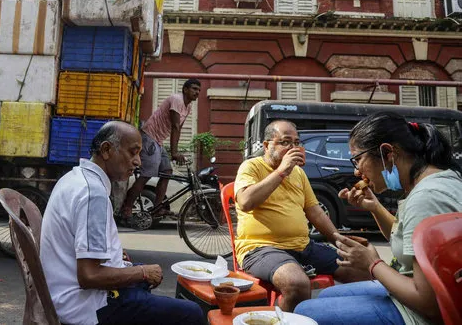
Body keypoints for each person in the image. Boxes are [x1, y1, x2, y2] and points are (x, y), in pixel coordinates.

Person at [294, 112, 462, 325]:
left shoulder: (425, 198)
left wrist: (372, 264)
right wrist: (373, 207)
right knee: (327, 295)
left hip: (418, 313)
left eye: (358, 159)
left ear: (387, 152)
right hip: (415, 289)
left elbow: (428, 303)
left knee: (305, 311)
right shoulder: (439, 180)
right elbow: (407, 240)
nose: (356, 172)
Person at [40, 121, 206, 325]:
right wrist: (142, 272)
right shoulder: (93, 194)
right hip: (84, 307)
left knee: (142, 281)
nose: (138, 162)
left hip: (64, 293)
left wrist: (115, 255)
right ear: (107, 150)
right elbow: (89, 276)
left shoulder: (76, 177)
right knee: (192, 312)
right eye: (132, 153)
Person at [234, 120, 369, 312]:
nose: (293, 147)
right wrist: (282, 171)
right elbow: (245, 201)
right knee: (297, 284)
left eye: (297, 143)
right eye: (286, 142)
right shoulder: (251, 167)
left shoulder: (298, 173)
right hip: (260, 248)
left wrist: (338, 239)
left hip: (302, 246)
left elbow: (314, 210)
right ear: (267, 145)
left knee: (363, 269)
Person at [120, 78, 201, 220]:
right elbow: (175, 126)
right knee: (146, 175)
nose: (197, 92)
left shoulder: (187, 108)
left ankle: (157, 208)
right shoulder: (177, 100)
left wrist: (173, 151)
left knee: (167, 171)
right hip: (149, 136)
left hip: (159, 141)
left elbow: (178, 129)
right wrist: (174, 153)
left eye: (199, 90)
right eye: (194, 89)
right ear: (185, 89)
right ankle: (126, 208)